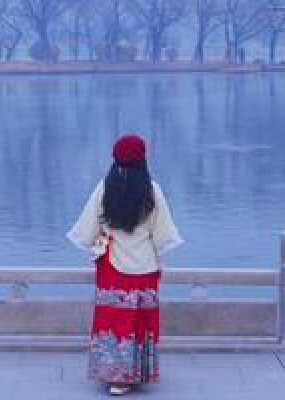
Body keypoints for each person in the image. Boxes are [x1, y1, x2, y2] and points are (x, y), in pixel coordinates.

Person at [67, 133, 183, 396]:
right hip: (144, 268)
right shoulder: (152, 190)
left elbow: (87, 231)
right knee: (140, 323)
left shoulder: (105, 188)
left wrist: (102, 238)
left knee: (114, 322)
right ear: (143, 158)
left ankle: (116, 376)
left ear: (115, 158)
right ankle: (137, 373)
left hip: (112, 268)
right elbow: (163, 235)